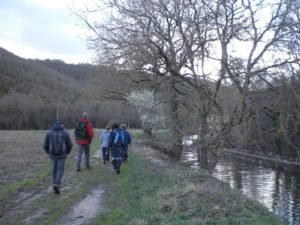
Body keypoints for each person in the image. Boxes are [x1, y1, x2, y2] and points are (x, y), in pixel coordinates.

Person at [43, 120, 73, 195]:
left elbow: (45, 146)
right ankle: (57, 184)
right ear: (61, 125)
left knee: (54, 169)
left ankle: (54, 184)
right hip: (62, 155)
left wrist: (48, 152)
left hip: (52, 155)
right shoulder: (65, 133)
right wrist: (67, 152)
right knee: (60, 169)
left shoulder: (49, 133)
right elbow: (70, 144)